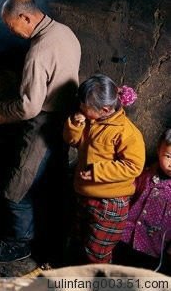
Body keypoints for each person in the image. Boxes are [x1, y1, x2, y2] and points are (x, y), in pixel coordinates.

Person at [0, 0, 81, 264]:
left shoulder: (38, 51)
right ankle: (44, 235)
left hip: (43, 124)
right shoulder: (65, 32)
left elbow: (29, 107)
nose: (13, 32)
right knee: (48, 181)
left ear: (26, 17)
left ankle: (19, 242)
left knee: (16, 187)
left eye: (13, 26)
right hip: (66, 120)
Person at [63, 74, 146, 264]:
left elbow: (133, 166)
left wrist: (96, 172)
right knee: (79, 239)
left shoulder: (126, 132)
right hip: (86, 196)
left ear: (105, 109)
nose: (81, 110)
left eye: (85, 107)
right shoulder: (92, 121)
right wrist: (75, 124)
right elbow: (72, 141)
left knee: (96, 252)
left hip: (109, 204)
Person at [114, 128, 171, 272]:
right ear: (159, 149)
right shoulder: (143, 174)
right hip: (123, 238)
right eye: (169, 156)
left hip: (151, 250)